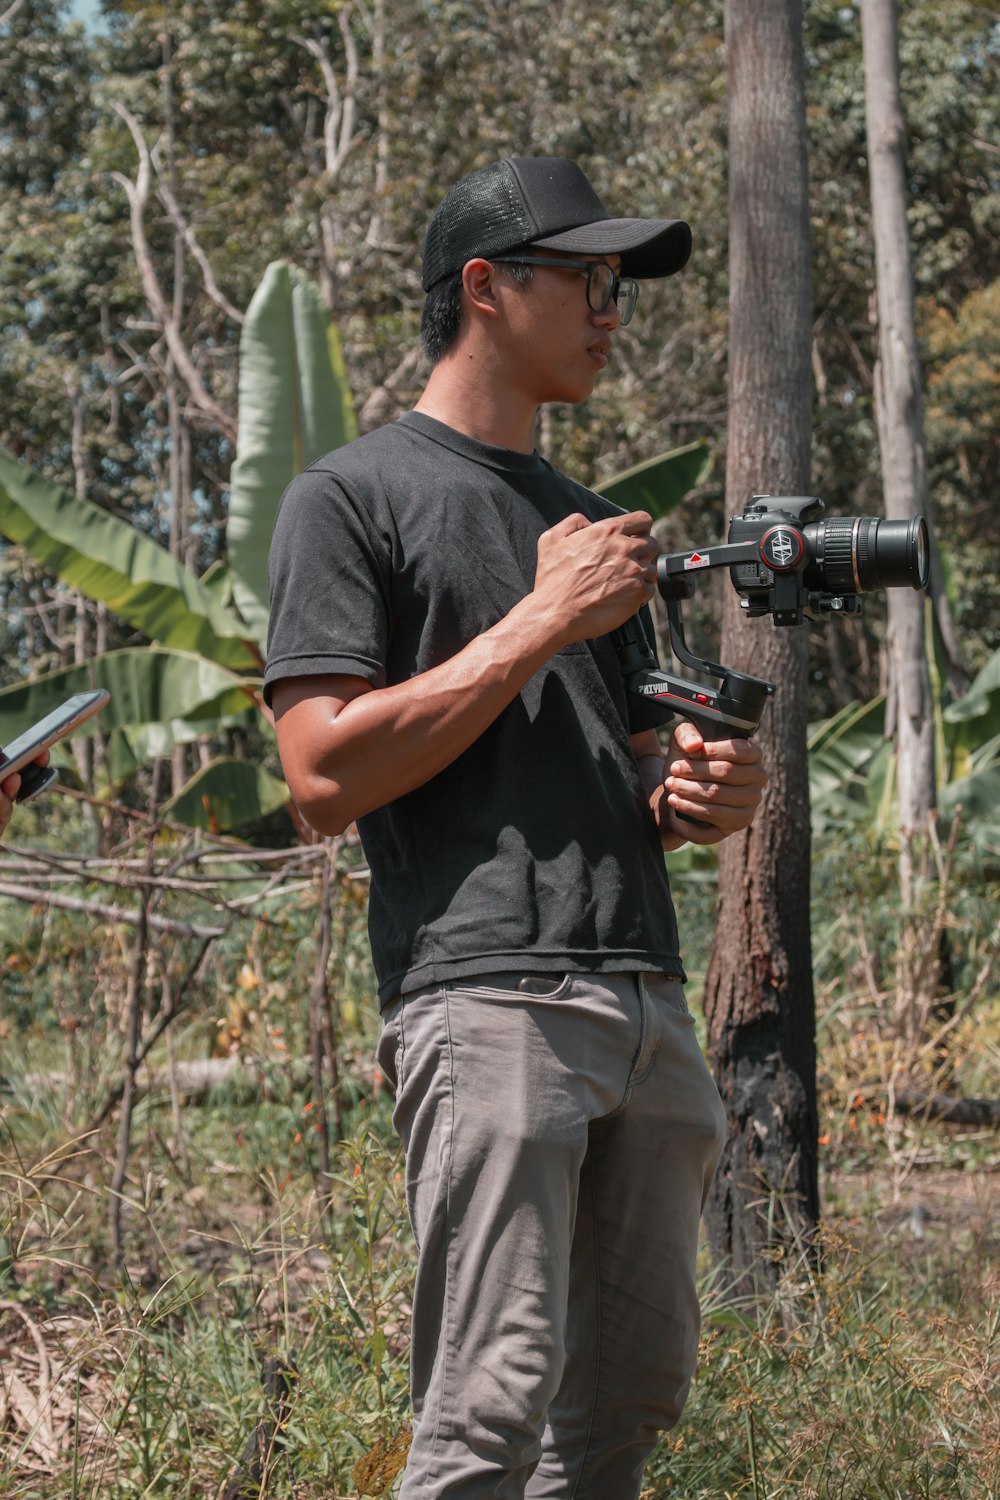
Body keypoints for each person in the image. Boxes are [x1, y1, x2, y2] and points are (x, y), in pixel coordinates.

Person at [265, 157, 767, 1500]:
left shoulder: (600, 529)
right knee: (488, 1412)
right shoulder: (351, 497)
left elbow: (640, 775)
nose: (615, 311)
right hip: (489, 994)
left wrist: (706, 797)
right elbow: (319, 778)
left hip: (644, 999)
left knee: (629, 1403)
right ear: (487, 287)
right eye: (591, 280)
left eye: (623, 286)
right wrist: (538, 620)